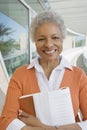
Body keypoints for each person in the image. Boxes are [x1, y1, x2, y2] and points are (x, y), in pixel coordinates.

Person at [0, 10, 87, 130]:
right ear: (35, 42)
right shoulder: (20, 75)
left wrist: (43, 127)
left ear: (62, 39)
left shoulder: (79, 75)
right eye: (41, 39)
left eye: (55, 37)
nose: (49, 44)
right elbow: (6, 121)